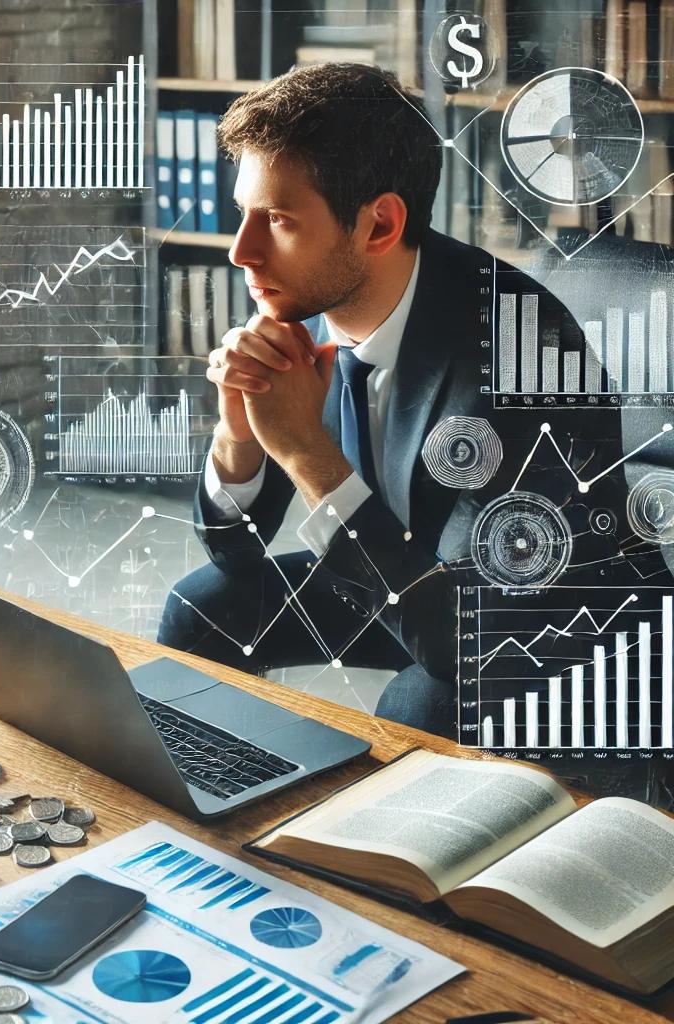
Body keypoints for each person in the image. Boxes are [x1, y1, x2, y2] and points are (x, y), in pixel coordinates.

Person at [157, 62, 632, 738]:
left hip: (539, 633)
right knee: (201, 605)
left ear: (379, 224)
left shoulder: (524, 363)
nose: (242, 252)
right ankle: (220, 794)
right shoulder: (323, 291)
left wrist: (303, 452)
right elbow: (236, 555)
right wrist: (239, 437)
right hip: (400, 570)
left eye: (279, 220)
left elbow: (458, 644)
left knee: (422, 706)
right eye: (244, 215)